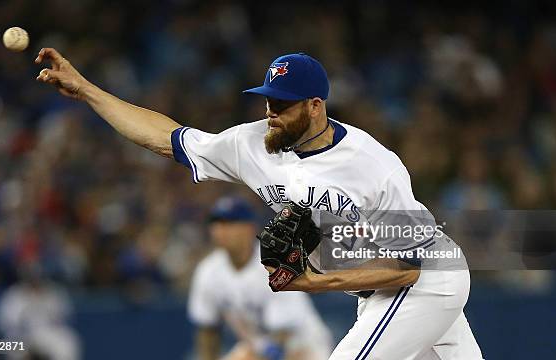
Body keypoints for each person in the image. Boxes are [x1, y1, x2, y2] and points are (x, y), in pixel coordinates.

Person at [35, 48, 484, 359]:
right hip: (376, 290)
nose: (270, 111)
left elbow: (408, 267)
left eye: (283, 104)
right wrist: (87, 90)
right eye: (268, 99)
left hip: (425, 278)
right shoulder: (251, 143)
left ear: (314, 106)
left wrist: (310, 282)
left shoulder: (373, 166)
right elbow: (164, 139)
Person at [188, 196, 332, 360]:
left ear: (249, 228)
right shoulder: (208, 271)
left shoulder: (273, 265)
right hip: (259, 347)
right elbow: (208, 330)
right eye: (216, 223)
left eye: (229, 223)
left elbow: (281, 339)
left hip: (304, 347)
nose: (220, 229)